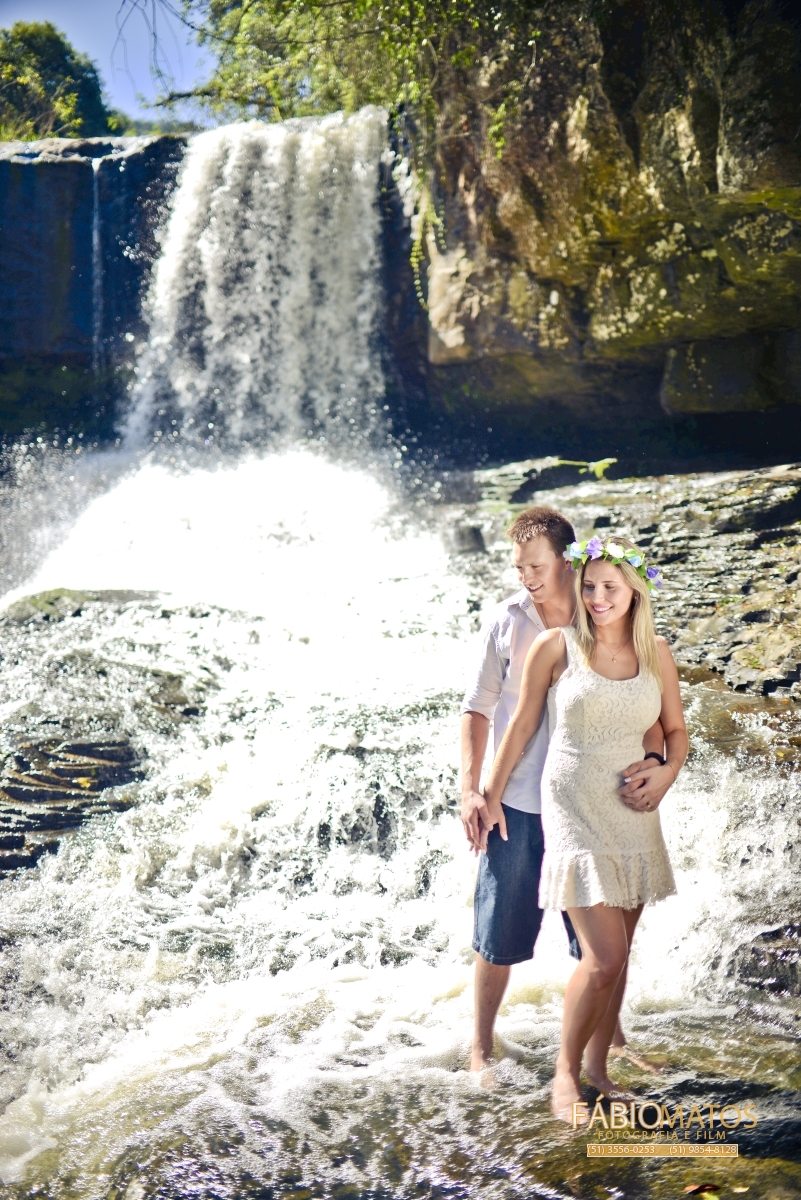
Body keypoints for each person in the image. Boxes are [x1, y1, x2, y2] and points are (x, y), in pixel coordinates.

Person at [482, 535, 688, 1119]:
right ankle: (565, 1077)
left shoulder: (656, 653)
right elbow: (521, 726)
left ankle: (599, 1069)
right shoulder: (557, 645)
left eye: (610, 588)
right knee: (603, 955)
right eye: (589, 586)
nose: (597, 598)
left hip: (633, 809)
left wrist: (666, 772)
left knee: (619, 957)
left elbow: (675, 732)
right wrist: (488, 796)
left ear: (634, 592)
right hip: (572, 805)